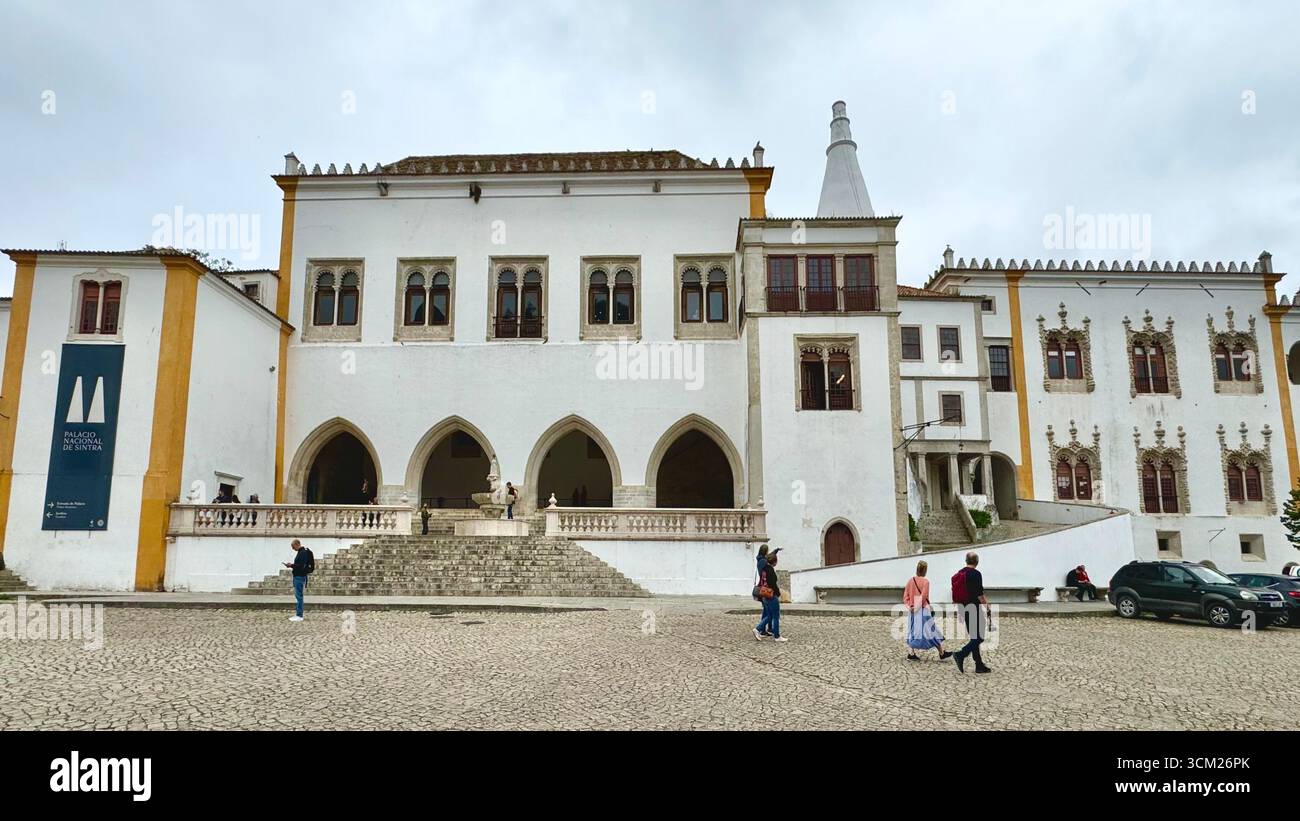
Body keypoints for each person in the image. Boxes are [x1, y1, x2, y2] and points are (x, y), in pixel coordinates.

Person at [951, 552, 991, 674]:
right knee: (979, 637)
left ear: (966, 561)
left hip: (963, 608)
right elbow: (980, 594)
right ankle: (961, 654)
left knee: (974, 636)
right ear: (977, 562)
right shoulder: (976, 574)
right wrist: (987, 606)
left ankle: (978, 665)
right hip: (974, 607)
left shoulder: (960, 573)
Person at [904, 560, 952, 661]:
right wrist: (917, 608)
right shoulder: (926, 582)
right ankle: (941, 653)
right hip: (922, 610)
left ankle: (911, 653)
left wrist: (910, 607)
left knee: (913, 632)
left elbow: (905, 597)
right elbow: (923, 597)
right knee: (931, 631)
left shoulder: (910, 581)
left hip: (912, 611)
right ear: (925, 570)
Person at [753, 552, 787, 642]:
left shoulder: (764, 569)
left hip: (764, 594)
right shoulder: (770, 570)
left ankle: (758, 629)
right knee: (775, 616)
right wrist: (778, 593)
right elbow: (773, 584)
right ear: (774, 562)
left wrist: (776, 551)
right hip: (771, 595)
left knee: (769, 615)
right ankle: (777, 636)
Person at [283, 539, 315, 622]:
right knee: (299, 596)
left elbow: (300, 566)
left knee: (299, 596)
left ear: (297, 544)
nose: (293, 549)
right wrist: (292, 565)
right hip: (299, 576)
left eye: (293, 547)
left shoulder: (302, 553)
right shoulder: (302, 552)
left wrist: (291, 565)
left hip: (299, 576)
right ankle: (298, 614)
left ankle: (299, 615)